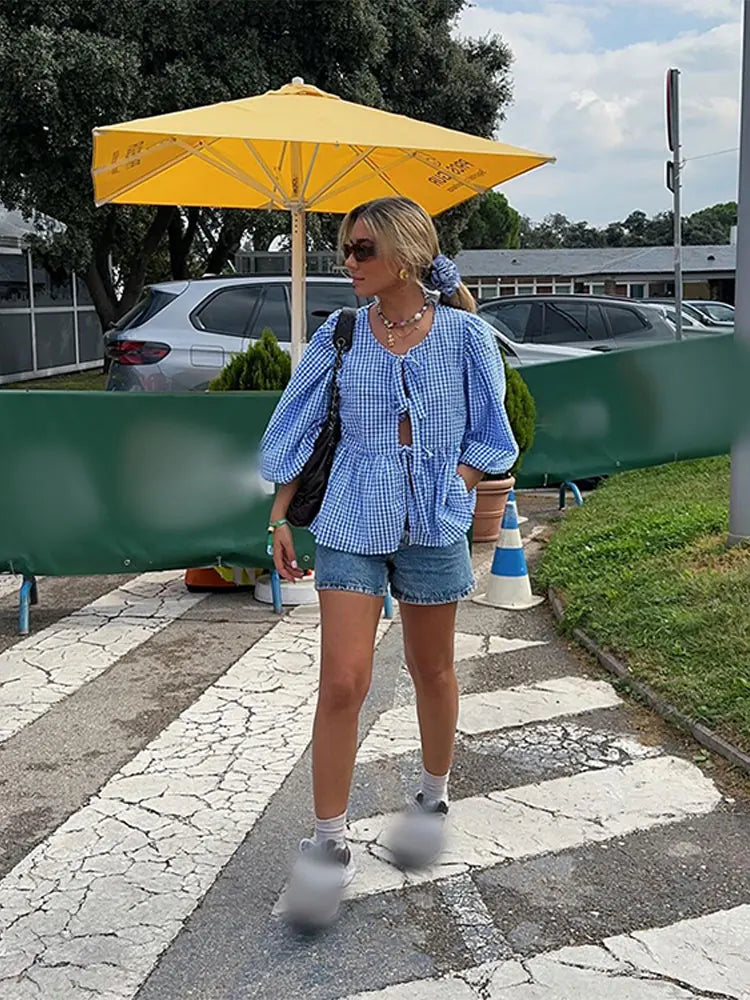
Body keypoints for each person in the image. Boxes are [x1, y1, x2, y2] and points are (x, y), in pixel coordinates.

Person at [260, 196, 518, 926]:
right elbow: (298, 424)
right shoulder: (340, 333)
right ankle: (328, 841)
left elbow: (493, 433)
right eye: (346, 248)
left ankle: (433, 799)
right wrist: (278, 516)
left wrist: (457, 484)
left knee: (432, 668)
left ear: (405, 255)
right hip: (351, 513)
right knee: (343, 679)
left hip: (433, 520)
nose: (348, 261)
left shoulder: (465, 336)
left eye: (362, 249)